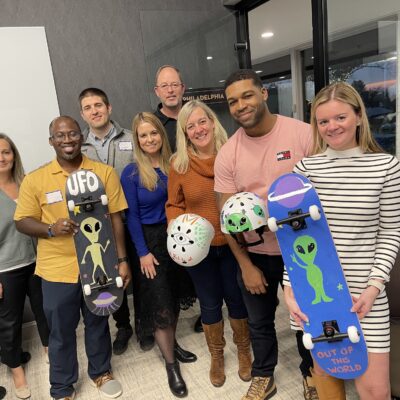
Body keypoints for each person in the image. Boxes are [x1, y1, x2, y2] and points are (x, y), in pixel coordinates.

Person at [283, 81, 400, 400]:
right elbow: (294, 234)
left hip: (366, 296)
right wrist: (290, 288)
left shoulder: (385, 167)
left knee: (375, 390)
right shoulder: (305, 169)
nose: (332, 127)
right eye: (323, 121)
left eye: (340, 118)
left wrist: (375, 286)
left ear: (359, 116)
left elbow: (391, 232)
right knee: (327, 377)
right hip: (318, 295)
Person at [214, 69, 318, 400]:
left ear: (263, 93)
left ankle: (312, 374)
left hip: (301, 248)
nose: (240, 105)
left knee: (308, 318)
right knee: (259, 322)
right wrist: (245, 264)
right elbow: (226, 217)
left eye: (247, 95)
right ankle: (263, 375)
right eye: (233, 101)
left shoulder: (303, 135)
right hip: (256, 253)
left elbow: (323, 194)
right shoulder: (228, 153)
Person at [14, 116, 131, 400]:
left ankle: (101, 372)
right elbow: (22, 221)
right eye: (60, 135)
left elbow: (116, 218)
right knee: (61, 331)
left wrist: (123, 260)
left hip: (99, 266)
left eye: (73, 134)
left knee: (98, 320)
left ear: (82, 137)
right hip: (56, 270)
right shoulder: (36, 179)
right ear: (51, 141)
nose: (67, 140)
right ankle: (62, 386)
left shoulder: (104, 173)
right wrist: (50, 229)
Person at [166, 100, 251, 387]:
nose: (198, 129)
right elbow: (173, 204)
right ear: (185, 132)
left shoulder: (234, 155)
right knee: (210, 303)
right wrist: (179, 229)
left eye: (202, 122)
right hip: (199, 249)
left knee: (236, 299)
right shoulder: (179, 164)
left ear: (213, 122)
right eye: (191, 126)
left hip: (233, 246)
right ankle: (217, 355)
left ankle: (243, 350)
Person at [121, 112, 198, 397]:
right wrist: (141, 253)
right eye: (143, 135)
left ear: (161, 136)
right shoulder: (130, 173)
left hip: (176, 237)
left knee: (175, 295)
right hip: (150, 243)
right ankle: (170, 365)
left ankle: (173, 344)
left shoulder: (176, 164)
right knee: (160, 301)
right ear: (137, 140)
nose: (149, 139)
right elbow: (131, 218)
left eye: (153, 133)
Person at [79, 87, 142, 354]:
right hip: (100, 227)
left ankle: (146, 323)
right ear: (83, 114)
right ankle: (124, 325)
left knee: (141, 275)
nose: (94, 111)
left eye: (98, 105)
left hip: (135, 219)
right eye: (88, 107)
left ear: (109, 108)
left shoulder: (131, 138)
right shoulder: (78, 147)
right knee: (112, 277)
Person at [0, 133, 50, 399]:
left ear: (14, 155)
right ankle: (16, 369)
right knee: (10, 321)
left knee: (45, 310)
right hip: (5, 269)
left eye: (6, 151)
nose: (2, 157)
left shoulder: (25, 183)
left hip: (37, 261)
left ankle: (49, 350)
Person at [154, 65, 203, 333]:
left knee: (200, 260)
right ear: (157, 91)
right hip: (166, 203)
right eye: (165, 86)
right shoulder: (152, 124)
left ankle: (205, 310)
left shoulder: (195, 119)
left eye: (175, 85)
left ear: (183, 88)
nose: (171, 90)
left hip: (195, 199)